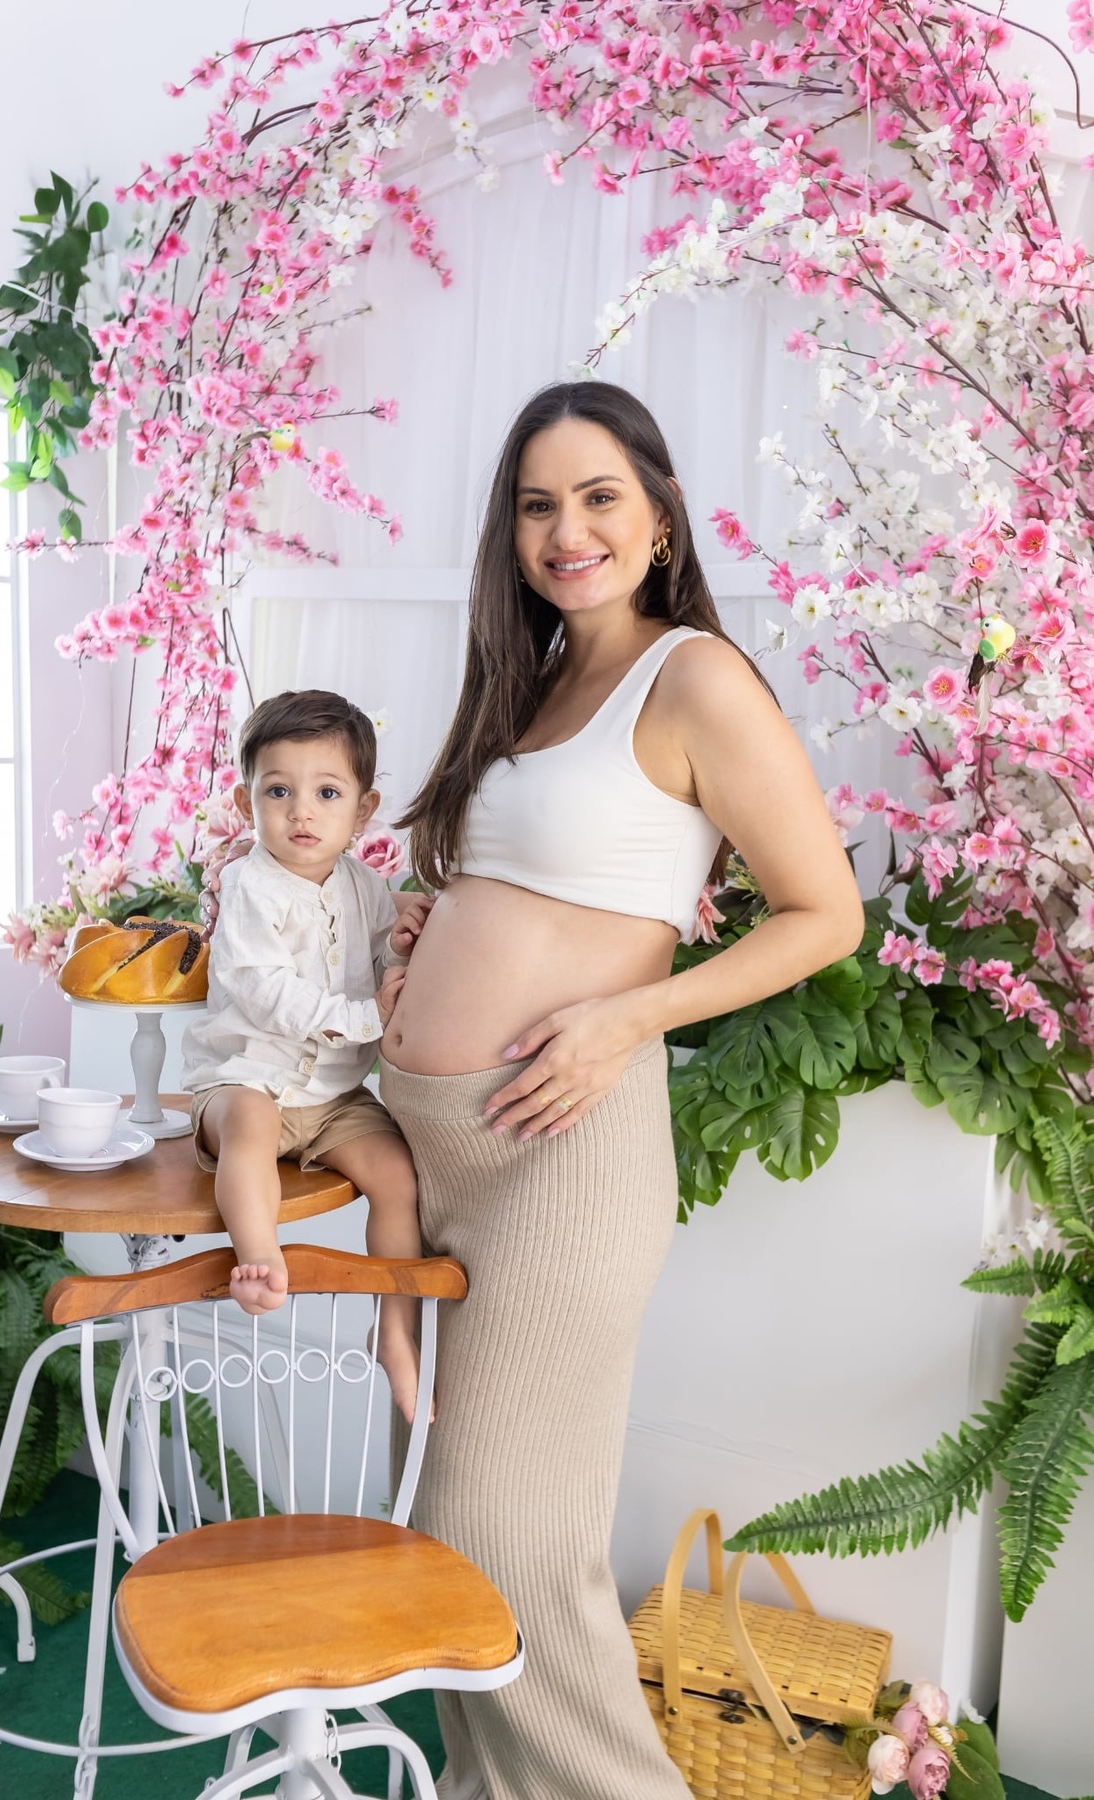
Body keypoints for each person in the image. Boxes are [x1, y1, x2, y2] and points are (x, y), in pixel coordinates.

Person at [371, 380, 865, 1800]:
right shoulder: (521, 681)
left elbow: (821, 915)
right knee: (446, 1543)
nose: (565, 529)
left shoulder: (693, 676)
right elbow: (504, 883)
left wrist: (623, 1020)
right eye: (537, 503)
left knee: (512, 1547)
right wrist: (422, 934)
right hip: (435, 1153)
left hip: (562, 1158)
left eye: (597, 497)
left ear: (657, 515)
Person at [181, 689, 430, 1422]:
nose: (301, 812)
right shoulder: (248, 885)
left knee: (398, 1176)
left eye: (326, 793)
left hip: (334, 1099)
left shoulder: (364, 884)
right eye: (278, 791)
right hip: (245, 1077)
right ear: (245, 799)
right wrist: (365, 1017)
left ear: (362, 809)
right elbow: (264, 992)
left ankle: (395, 1329)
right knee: (250, 1128)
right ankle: (259, 1259)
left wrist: (404, 924)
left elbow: (380, 944)